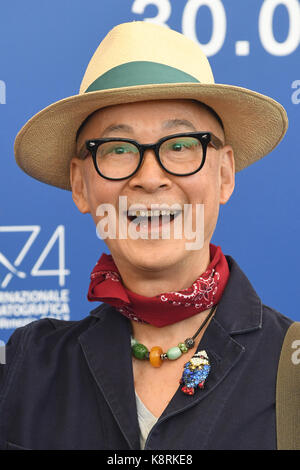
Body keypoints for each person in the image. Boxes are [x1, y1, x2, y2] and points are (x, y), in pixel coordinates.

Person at [0, 21, 294, 450]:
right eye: (118, 150)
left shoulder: (293, 368)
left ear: (225, 173)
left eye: (179, 145)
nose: (149, 177)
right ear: (81, 185)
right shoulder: (29, 366)